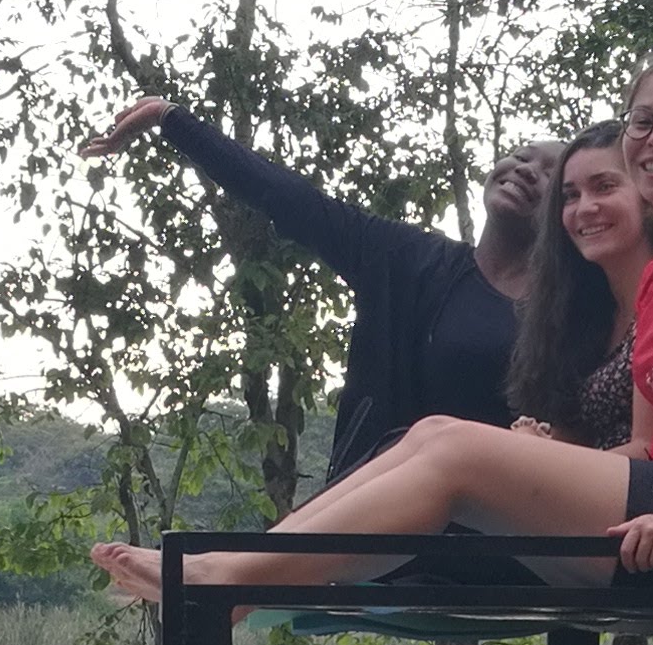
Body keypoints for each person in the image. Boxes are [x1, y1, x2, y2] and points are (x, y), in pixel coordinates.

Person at [95, 53, 653, 599]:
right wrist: (550, 459)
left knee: (457, 452)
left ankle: (227, 580)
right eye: (645, 121)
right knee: (435, 432)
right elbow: (646, 445)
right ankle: (234, 576)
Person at [80, 98, 556, 481]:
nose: (527, 169)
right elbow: (289, 198)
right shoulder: (409, 261)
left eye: (552, 173)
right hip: (375, 524)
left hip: (506, 537)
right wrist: (171, 119)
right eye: (521, 155)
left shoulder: (573, 313)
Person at [502, 121, 651, 451]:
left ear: (648, 194)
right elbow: (579, 437)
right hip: (595, 475)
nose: (585, 208)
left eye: (604, 187)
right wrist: (540, 440)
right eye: (571, 196)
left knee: (455, 446)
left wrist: (535, 459)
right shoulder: (584, 315)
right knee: (431, 432)